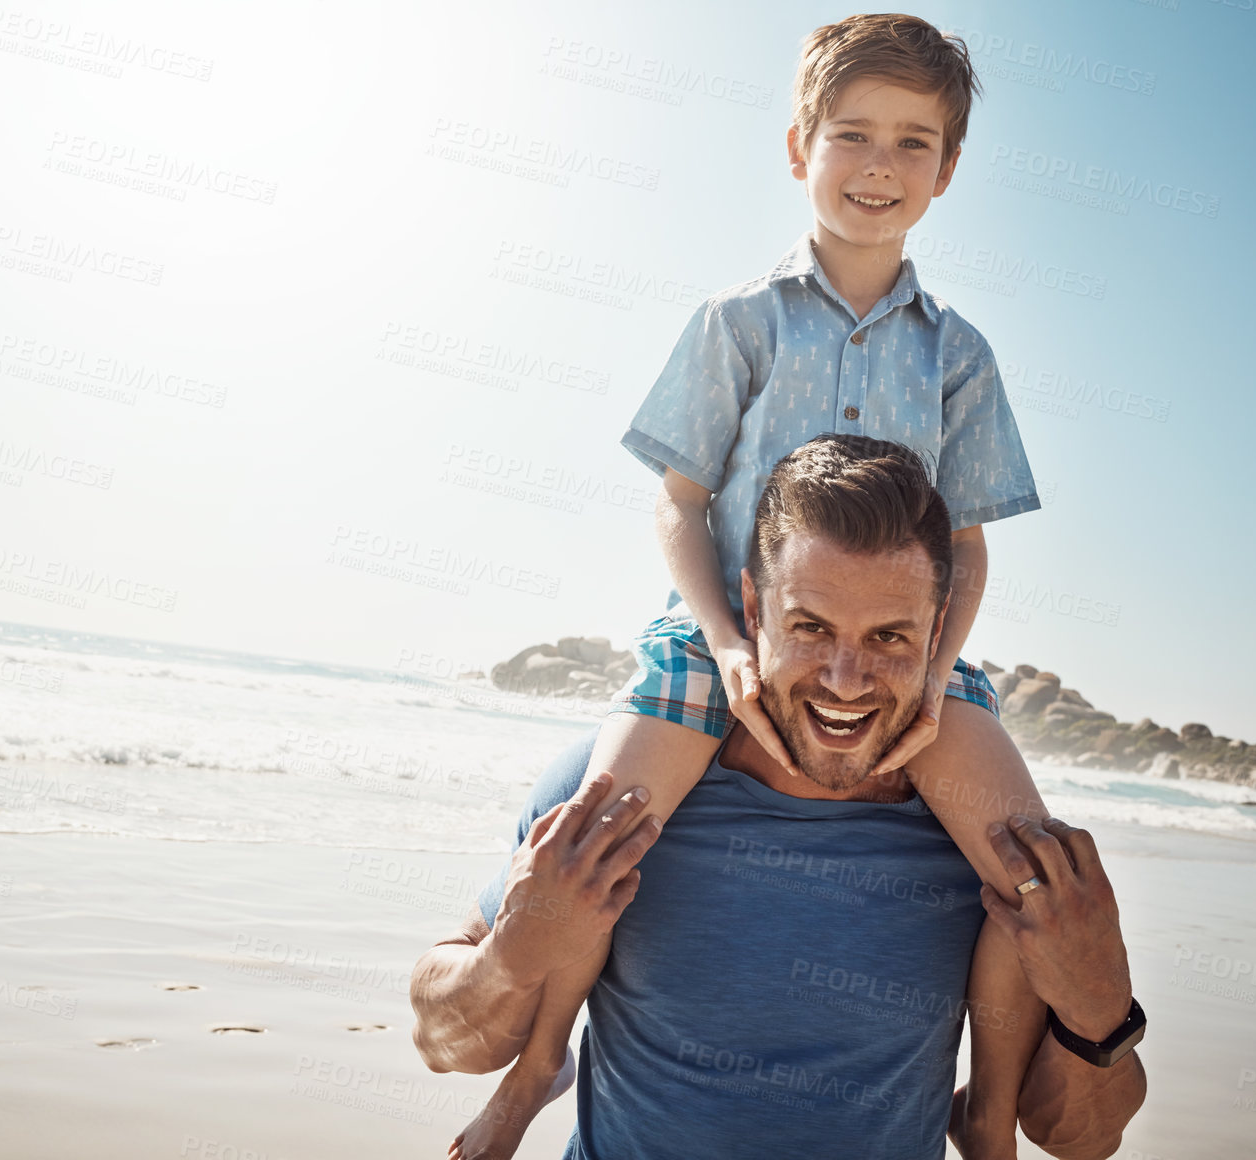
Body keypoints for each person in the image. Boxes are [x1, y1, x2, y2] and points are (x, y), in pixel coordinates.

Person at [444, 14, 1056, 1159]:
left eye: (914, 143)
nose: (880, 166)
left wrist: (930, 669)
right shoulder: (738, 321)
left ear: (949, 168)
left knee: (1028, 860)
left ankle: (991, 1122)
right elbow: (679, 500)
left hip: (890, 648)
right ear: (798, 148)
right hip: (720, 632)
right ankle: (533, 1072)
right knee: (598, 841)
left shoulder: (958, 351)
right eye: (853, 135)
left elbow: (966, 546)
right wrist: (724, 642)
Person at [410, 435, 1146, 1159]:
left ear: (939, 632)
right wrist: (509, 960)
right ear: (753, 610)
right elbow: (440, 1041)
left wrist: (1100, 1003)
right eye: (811, 628)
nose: (846, 680)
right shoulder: (621, 790)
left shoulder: (979, 830)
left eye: (890, 636)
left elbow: (1080, 1141)